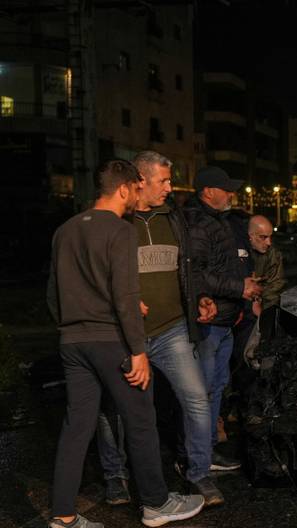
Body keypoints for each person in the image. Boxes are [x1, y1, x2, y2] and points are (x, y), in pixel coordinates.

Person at [44, 160, 203, 528]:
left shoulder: (65, 230)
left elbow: (53, 295)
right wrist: (137, 350)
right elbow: (125, 293)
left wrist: (74, 326)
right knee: (140, 418)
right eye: (136, 189)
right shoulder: (119, 230)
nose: (137, 197)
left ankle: (62, 519)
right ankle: (156, 504)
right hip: (111, 340)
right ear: (124, 189)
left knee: (76, 425)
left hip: (72, 342)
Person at [94, 151, 228, 506]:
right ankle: (115, 476)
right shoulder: (116, 221)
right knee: (116, 409)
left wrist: (199, 296)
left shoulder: (175, 217)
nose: (170, 187)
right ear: (140, 179)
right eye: (163, 181)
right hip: (125, 334)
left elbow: (188, 266)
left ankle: (199, 473)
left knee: (197, 399)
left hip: (172, 330)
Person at [184, 166, 262, 467]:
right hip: (210, 322)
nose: (232, 194)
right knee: (201, 393)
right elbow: (196, 274)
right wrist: (238, 286)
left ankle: (207, 453)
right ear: (208, 192)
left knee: (214, 388)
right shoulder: (199, 224)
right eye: (226, 188)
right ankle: (195, 460)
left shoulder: (218, 221)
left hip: (226, 320)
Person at [248, 215, 286, 313]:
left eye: (270, 237)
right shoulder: (234, 250)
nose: (269, 242)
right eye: (263, 237)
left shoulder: (273, 254)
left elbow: (275, 288)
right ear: (250, 235)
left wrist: (265, 314)